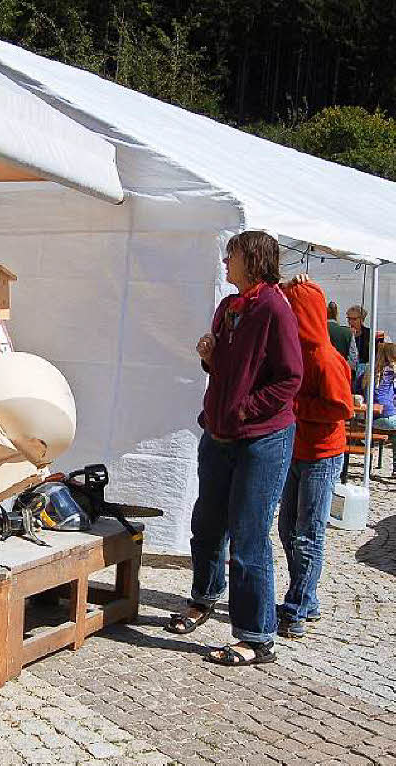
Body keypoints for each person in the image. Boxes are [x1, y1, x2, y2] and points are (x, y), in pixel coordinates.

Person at [166, 230, 302, 667]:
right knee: (206, 524)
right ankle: (204, 597)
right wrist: (209, 355)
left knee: (248, 536)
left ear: (254, 260)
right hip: (220, 435)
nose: (226, 262)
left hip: (261, 439)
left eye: (232, 256)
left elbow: (289, 378)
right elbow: (227, 366)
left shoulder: (275, 309)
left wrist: (245, 410)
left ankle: (257, 637)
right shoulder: (230, 307)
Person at [277, 275, 354, 638]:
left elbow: (341, 408)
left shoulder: (324, 357)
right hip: (298, 449)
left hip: (322, 456)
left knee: (308, 534)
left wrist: (294, 405)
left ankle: (297, 605)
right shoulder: (296, 351)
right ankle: (306, 598)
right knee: (287, 528)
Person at [326, 301, 357, 373]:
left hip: (322, 372)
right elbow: (353, 359)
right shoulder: (348, 332)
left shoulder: (318, 330)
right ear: (336, 314)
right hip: (342, 373)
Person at [347, 305, 371, 383]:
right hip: (349, 371)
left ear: (362, 319)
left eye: (354, 319)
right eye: (349, 319)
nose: (351, 322)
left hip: (365, 372)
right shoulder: (345, 333)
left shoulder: (369, 334)